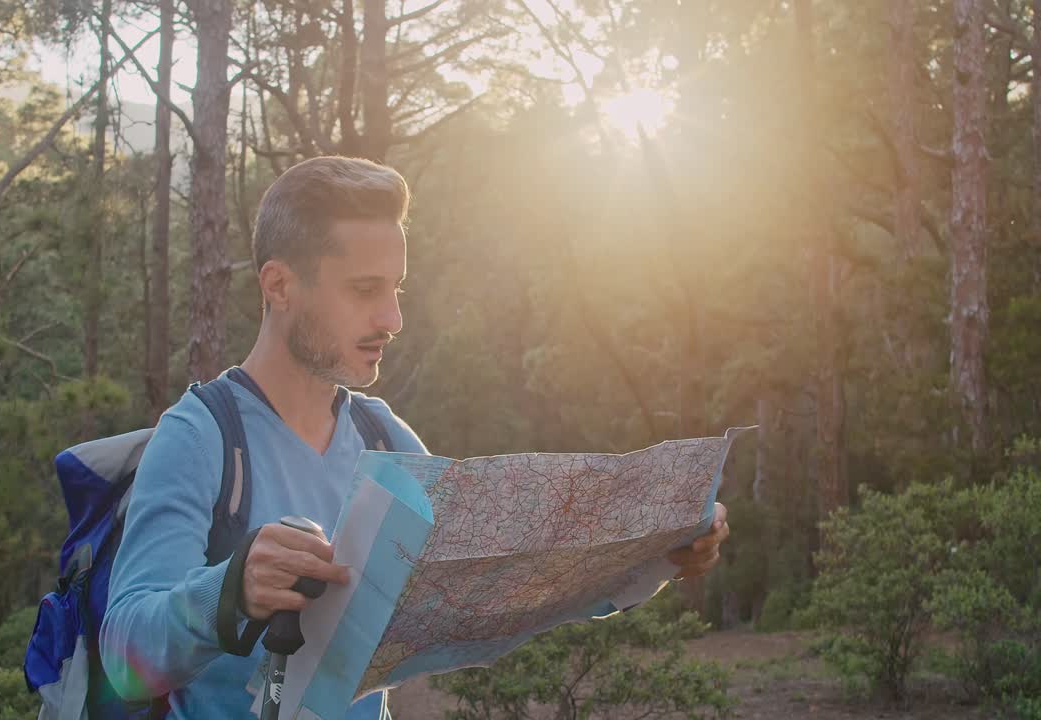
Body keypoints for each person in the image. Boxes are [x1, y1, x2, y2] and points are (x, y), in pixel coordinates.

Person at [99, 156, 730, 719]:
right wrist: (231, 590)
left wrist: (655, 556)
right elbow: (122, 656)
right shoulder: (201, 437)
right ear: (280, 286)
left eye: (395, 289)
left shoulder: (386, 440)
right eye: (365, 290)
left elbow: (485, 591)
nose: (393, 319)